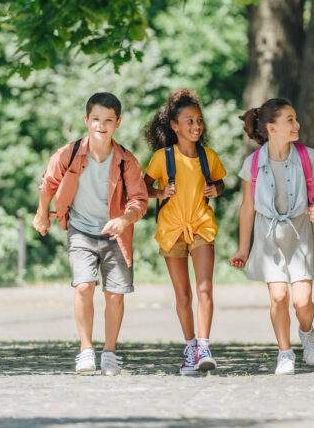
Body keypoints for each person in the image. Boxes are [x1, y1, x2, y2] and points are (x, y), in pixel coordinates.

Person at [34, 92, 149, 375]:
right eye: (96, 119)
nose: (102, 125)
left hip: (115, 234)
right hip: (81, 230)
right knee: (84, 286)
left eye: (109, 120)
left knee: (115, 294)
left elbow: (139, 200)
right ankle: (86, 350)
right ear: (86, 120)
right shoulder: (68, 154)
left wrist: (124, 219)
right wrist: (41, 214)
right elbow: (48, 183)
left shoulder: (126, 161)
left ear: (118, 123)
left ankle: (109, 352)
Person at [229, 98, 314, 375]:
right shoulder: (253, 163)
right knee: (279, 296)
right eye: (290, 120)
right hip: (268, 235)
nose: (297, 125)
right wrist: (243, 249)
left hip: (300, 233)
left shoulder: (308, 157)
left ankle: (307, 333)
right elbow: (247, 208)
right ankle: (285, 353)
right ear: (271, 128)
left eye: (295, 119)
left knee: (302, 301)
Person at [142, 88, 227, 375]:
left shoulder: (208, 156)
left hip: (201, 224)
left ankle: (204, 346)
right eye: (189, 121)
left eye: (199, 121)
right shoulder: (161, 158)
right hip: (171, 231)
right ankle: (189, 347)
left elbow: (220, 183)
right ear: (174, 126)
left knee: (205, 287)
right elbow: (142, 188)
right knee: (183, 295)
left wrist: (217, 189)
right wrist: (159, 192)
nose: (196, 126)